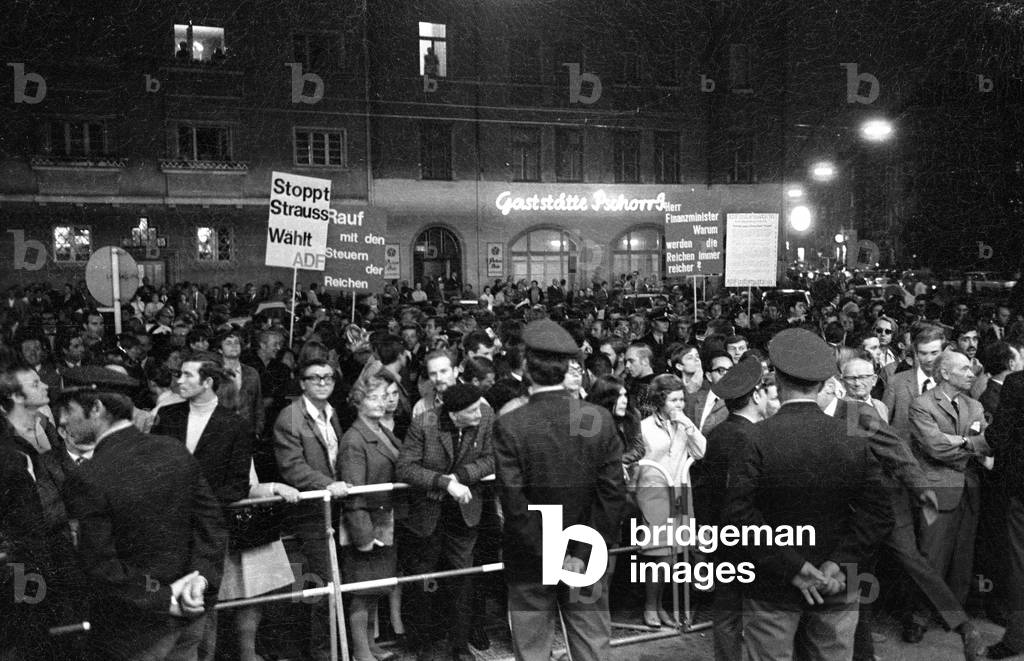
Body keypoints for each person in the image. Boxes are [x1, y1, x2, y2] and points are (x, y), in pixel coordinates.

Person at [724, 328, 893, 661]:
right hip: (838, 584)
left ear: (776, 379)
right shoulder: (853, 436)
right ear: (822, 383)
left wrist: (795, 567)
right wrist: (837, 564)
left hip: (771, 585)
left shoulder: (754, 439)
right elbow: (879, 513)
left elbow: (738, 518)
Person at [58, 367, 227, 660]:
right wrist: (200, 581)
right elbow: (211, 524)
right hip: (190, 613)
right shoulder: (174, 450)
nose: (61, 419)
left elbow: (99, 564)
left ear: (96, 408)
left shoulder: (88, 476)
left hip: (133, 631)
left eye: (67, 409)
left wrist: (162, 598)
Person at [492, 319, 625, 661]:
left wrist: (550, 555)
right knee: (592, 645)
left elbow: (514, 503)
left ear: (526, 371)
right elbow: (611, 495)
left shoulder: (510, 425)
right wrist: (578, 554)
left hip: (530, 561)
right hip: (588, 554)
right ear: (568, 368)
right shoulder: (599, 418)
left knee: (533, 650)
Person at [151, 351, 254, 661]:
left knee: (204, 599)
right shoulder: (168, 418)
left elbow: (238, 483)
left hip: (209, 527)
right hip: (167, 524)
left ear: (208, 382)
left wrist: (197, 502)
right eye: (178, 374)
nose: (179, 381)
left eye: (186, 375)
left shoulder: (234, 425)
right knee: (170, 595)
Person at [396, 383, 495, 661]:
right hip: (427, 513)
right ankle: (425, 647)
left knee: (463, 578)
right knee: (426, 581)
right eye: (471, 411)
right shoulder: (423, 423)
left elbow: (491, 459)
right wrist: (443, 484)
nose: (479, 413)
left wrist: (461, 477)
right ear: (453, 415)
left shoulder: (485, 415)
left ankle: (460, 647)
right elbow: (405, 467)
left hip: (465, 512)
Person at [273, 359, 351, 661]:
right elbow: (293, 468)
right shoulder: (290, 417)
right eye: (315, 377)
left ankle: (334, 649)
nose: (323, 382)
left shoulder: (331, 414)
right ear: (302, 383)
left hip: (335, 508)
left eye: (328, 377)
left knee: (336, 583)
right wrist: (329, 484)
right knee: (323, 585)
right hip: (312, 512)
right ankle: (323, 654)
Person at [696, 356, 768, 661]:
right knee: (760, 617)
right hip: (751, 539)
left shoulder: (718, 434)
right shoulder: (753, 437)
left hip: (721, 538)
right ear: (755, 396)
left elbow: (704, 492)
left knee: (726, 615)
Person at [909, 349, 991, 609]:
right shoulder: (922, 404)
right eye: (964, 369)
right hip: (936, 490)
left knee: (962, 557)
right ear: (945, 373)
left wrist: (961, 441)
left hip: (969, 490)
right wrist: (971, 446)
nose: (971, 374)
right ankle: (918, 615)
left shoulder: (974, 405)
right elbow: (934, 447)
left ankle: (953, 614)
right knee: (931, 555)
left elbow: (987, 443)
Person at [339, 368, 403, 661]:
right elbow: (354, 493)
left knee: (376, 587)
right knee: (363, 592)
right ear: (358, 402)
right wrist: (363, 535)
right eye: (373, 398)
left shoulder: (381, 430)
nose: (381, 402)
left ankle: (371, 646)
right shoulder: (354, 439)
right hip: (368, 522)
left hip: (385, 520)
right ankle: (362, 652)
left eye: (385, 397)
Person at [636, 374, 706, 628]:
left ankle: (668, 606)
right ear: (659, 400)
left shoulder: (684, 424)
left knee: (678, 554)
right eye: (673, 400)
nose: (679, 405)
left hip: (680, 492)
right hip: (654, 493)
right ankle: (650, 606)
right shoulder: (643, 427)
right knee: (661, 556)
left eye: (681, 400)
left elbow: (701, 451)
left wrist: (688, 425)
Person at [883, 324, 945, 441]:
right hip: (904, 453)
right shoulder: (896, 382)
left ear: (943, 353)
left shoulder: (950, 383)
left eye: (934, 353)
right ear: (916, 354)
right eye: (923, 353)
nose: (929, 359)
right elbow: (883, 423)